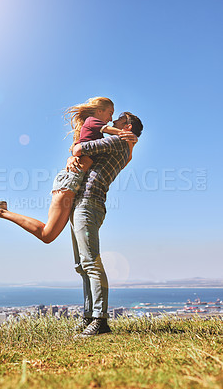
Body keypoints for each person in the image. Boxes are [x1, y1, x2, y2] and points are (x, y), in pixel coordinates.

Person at [0, 97, 133, 244]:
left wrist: (130, 146)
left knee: (48, 235)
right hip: (71, 180)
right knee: (47, 234)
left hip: (75, 183)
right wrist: (127, 134)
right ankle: (0, 211)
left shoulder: (98, 137)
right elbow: (84, 145)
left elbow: (119, 160)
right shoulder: (93, 122)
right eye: (110, 113)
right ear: (99, 111)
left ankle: (0, 210)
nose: (111, 119)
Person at [68, 112, 143, 337]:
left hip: (88, 201)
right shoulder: (124, 145)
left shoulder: (118, 140)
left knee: (90, 263)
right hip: (86, 202)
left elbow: (80, 149)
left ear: (127, 126)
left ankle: (100, 320)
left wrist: (75, 151)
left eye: (119, 119)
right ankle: (89, 316)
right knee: (82, 265)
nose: (113, 121)